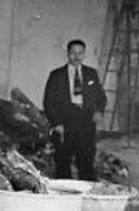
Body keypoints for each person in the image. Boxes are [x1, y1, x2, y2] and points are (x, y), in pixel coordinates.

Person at [43, 39, 107, 181]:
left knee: (86, 161)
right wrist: (56, 123)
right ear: (68, 54)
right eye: (73, 53)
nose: (76, 56)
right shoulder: (56, 75)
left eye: (80, 53)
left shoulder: (91, 73)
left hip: (86, 121)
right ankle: (64, 195)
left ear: (84, 54)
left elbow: (101, 97)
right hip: (65, 121)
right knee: (63, 162)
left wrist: (99, 111)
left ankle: (86, 194)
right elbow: (49, 102)